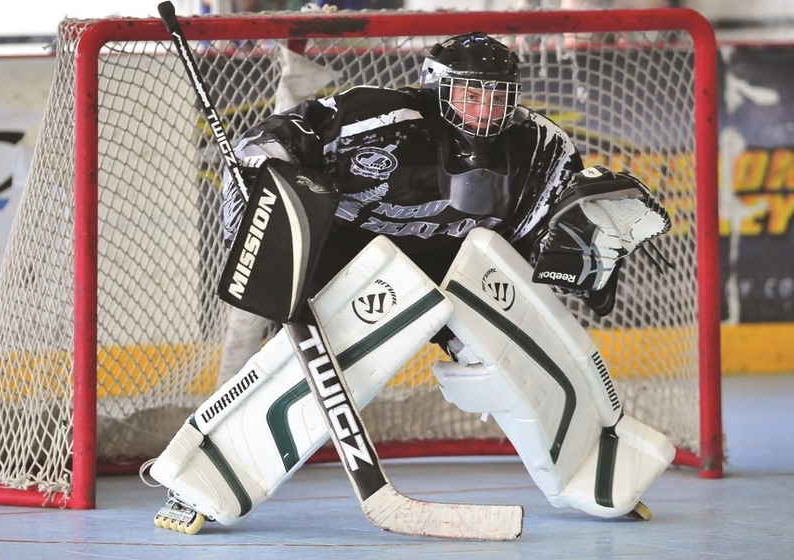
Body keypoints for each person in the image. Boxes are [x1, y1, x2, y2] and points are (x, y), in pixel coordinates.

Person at [148, 31, 674, 535]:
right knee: (323, 374)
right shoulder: (378, 117)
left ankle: (595, 468)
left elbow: (537, 246)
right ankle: (201, 480)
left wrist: (586, 244)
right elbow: (274, 142)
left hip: (459, 270)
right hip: (349, 266)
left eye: (498, 97)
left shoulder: (540, 147)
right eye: (471, 95)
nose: (485, 110)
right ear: (436, 86)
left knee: (516, 358)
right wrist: (266, 175)